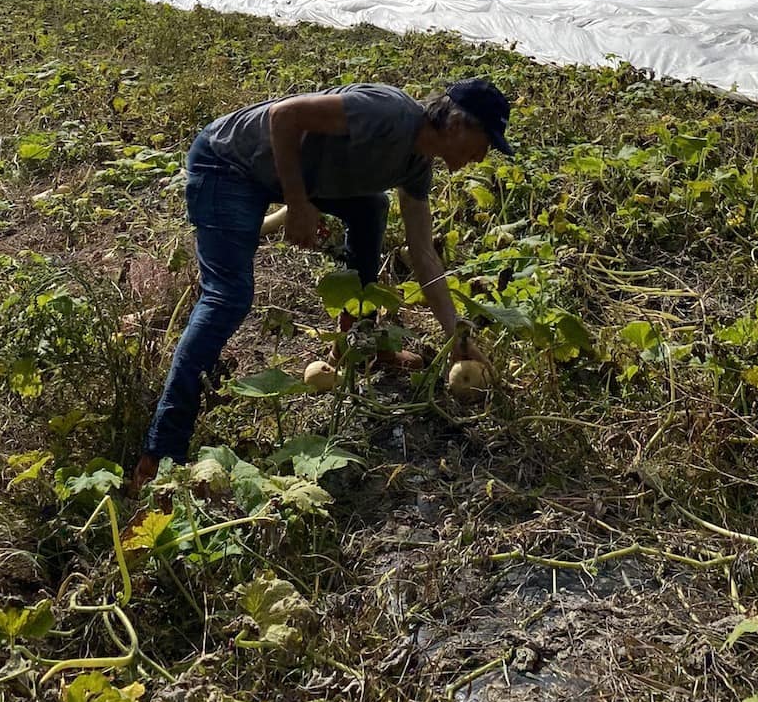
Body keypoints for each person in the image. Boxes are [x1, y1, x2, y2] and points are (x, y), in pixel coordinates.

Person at [132, 78, 513, 486]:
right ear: (457, 124)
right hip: (228, 164)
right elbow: (285, 114)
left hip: (276, 171)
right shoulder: (386, 113)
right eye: (483, 143)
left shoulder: (416, 164)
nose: (480, 157)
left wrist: (457, 338)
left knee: (371, 208)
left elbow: (423, 253)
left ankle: (361, 343)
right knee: (228, 297)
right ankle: (162, 451)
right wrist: (297, 204)